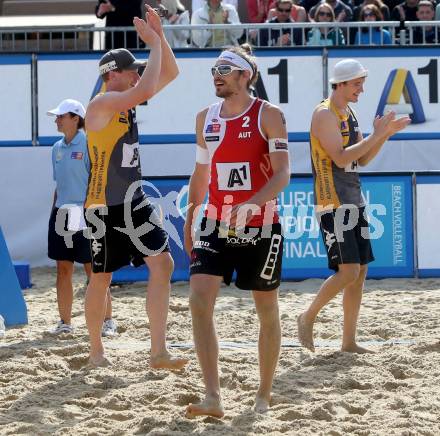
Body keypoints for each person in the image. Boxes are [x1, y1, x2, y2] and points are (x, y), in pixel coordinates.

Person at [184, 44, 290, 417]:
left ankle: (263, 393)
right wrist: (190, 215)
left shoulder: (269, 115)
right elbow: (201, 172)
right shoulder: (205, 118)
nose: (218, 73)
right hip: (215, 221)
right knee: (198, 301)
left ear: (246, 76)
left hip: (260, 225)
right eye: (215, 67)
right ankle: (213, 395)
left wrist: (251, 204)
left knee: (267, 310)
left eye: (226, 68)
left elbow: (282, 175)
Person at [84, 7, 188, 370]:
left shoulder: (125, 100)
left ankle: (158, 352)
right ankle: (96, 351)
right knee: (101, 277)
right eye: (132, 71)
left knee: (163, 265)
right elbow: (147, 85)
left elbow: (170, 73)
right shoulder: (102, 103)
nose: (137, 76)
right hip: (103, 206)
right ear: (114, 74)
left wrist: (161, 40)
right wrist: (154, 43)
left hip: (134, 199)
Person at [297, 59, 410, 353]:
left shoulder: (350, 113)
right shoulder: (324, 114)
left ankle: (348, 341)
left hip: (352, 198)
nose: (362, 88)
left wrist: (383, 136)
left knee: (359, 274)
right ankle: (307, 316)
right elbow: (341, 158)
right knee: (348, 272)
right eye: (357, 83)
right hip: (332, 200)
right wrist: (376, 135)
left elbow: (363, 160)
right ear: (341, 84)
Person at [47, 99, 116, 337]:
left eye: (60, 116)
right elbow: (59, 185)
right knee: (62, 269)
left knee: (94, 270)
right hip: (61, 213)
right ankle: (65, 322)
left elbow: (99, 182)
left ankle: (107, 321)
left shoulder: (89, 144)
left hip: (85, 212)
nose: (56, 119)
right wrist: (54, 212)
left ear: (75, 118)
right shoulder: (56, 148)